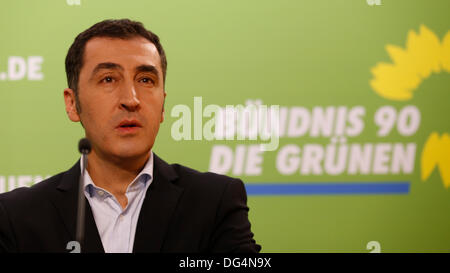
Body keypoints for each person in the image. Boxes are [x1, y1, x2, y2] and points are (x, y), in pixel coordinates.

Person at [0, 19, 261, 253]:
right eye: (108, 79)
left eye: (146, 80)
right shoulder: (17, 216)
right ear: (72, 103)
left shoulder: (214, 202)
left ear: (163, 105)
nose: (131, 99)